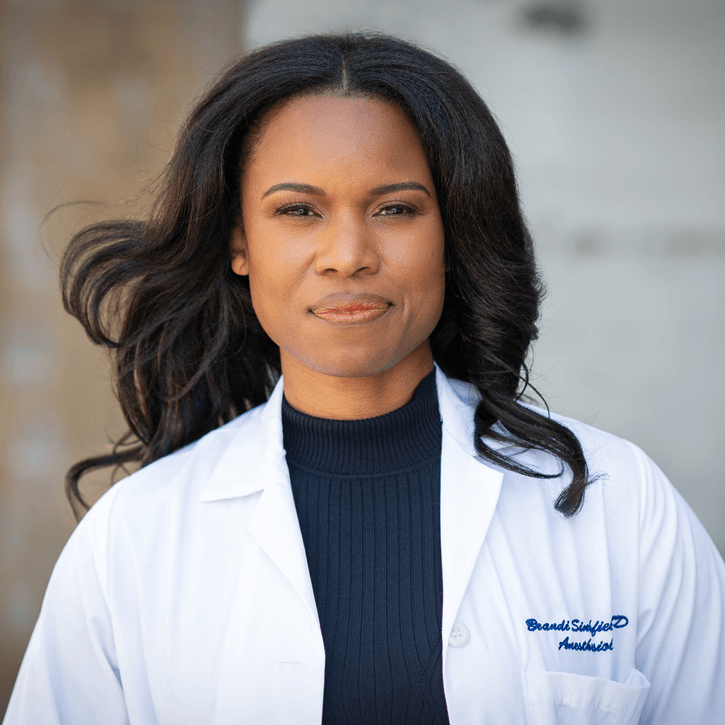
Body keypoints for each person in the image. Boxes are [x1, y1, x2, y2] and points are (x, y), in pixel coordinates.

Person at [4, 32, 724, 725]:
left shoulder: (618, 505)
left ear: (453, 231)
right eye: (298, 210)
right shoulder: (133, 539)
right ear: (238, 241)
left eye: (394, 208)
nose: (346, 254)